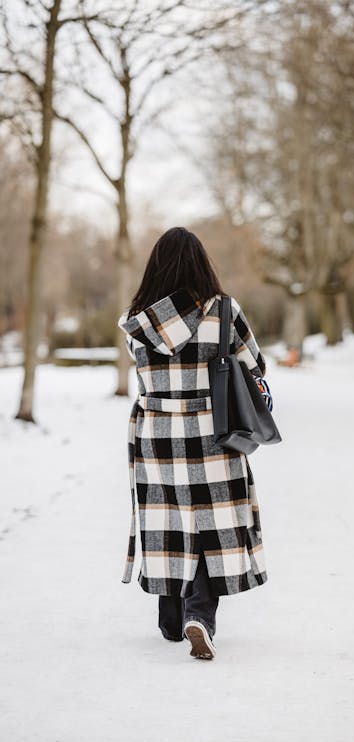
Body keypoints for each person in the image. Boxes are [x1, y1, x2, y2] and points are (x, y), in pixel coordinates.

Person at [117, 227, 268, 660]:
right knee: (210, 523)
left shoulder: (136, 319)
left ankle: (171, 618)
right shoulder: (224, 310)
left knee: (169, 521)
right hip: (213, 433)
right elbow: (254, 365)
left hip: (157, 434)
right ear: (202, 263)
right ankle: (199, 613)